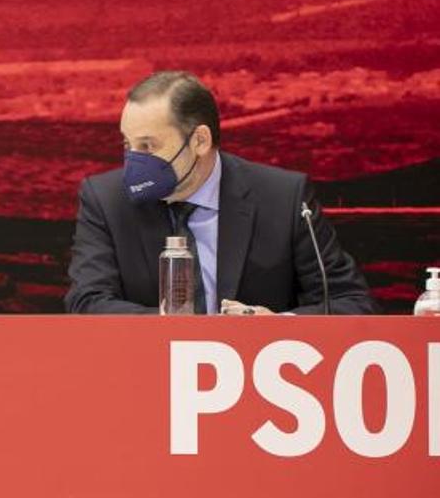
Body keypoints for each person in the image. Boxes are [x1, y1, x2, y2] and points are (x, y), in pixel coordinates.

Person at [65, 70, 376, 315]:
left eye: (148, 146)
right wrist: (175, 329)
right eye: (127, 145)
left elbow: (349, 302)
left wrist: (278, 326)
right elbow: (87, 302)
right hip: (148, 376)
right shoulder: (106, 200)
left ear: (199, 141)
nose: (134, 160)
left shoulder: (283, 197)